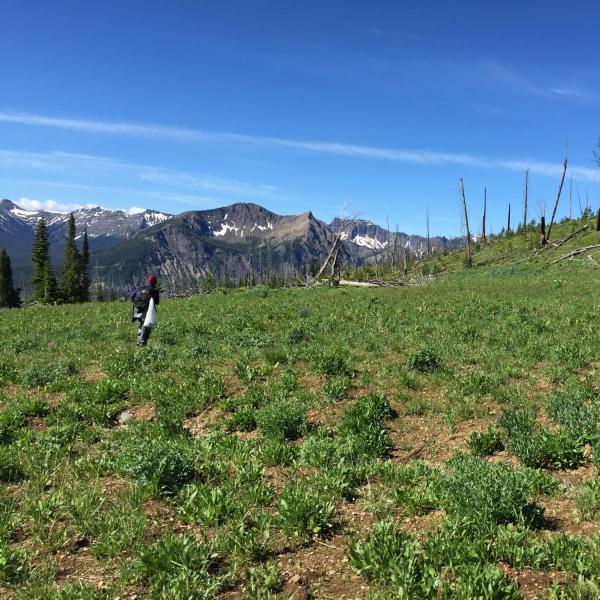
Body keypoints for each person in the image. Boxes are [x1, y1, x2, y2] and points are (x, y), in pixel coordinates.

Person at [131, 274, 160, 346]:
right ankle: (142, 342)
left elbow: (132, 297)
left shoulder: (140, 288)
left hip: (137, 309)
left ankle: (139, 341)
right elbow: (157, 302)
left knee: (141, 325)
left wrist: (138, 303)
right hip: (146, 310)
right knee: (146, 325)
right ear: (155, 282)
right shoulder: (154, 290)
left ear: (148, 281)